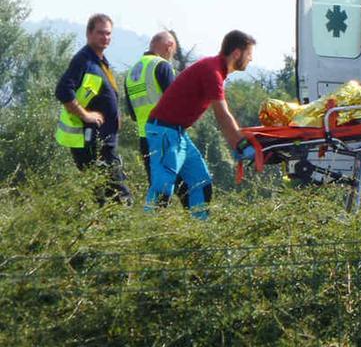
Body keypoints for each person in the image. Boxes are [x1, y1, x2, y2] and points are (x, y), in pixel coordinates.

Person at [143, 30, 258, 219]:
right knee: (163, 188)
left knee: (201, 183)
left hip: (177, 133)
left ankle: (199, 235)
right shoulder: (212, 71)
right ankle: (145, 236)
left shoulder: (216, 70)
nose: (251, 59)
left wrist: (239, 142)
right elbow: (222, 115)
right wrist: (241, 143)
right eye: (249, 54)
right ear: (237, 53)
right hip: (164, 131)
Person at [55, 13, 132, 204]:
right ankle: (119, 228)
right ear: (89, 33)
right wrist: (86, 115)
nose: (105, 37)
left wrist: (116, 117)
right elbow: (63, 90)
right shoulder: (83, 60)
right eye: (100, 33)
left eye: (108, 34)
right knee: (117, 193)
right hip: (91, 139)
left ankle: (103, 229)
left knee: (103, 192)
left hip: (105, 138)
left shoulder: (100, 61)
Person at [124, 31, 189, 207]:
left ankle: (154, 228)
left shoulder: (132, 72)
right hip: (164, 137)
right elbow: (175, 103)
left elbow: (131, 111)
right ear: (169, 46)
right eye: (173, 51)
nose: (172, 56)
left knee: (158, 191)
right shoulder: (162, 66)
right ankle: (193, 227)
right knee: (187, 188)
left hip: (144, 138)